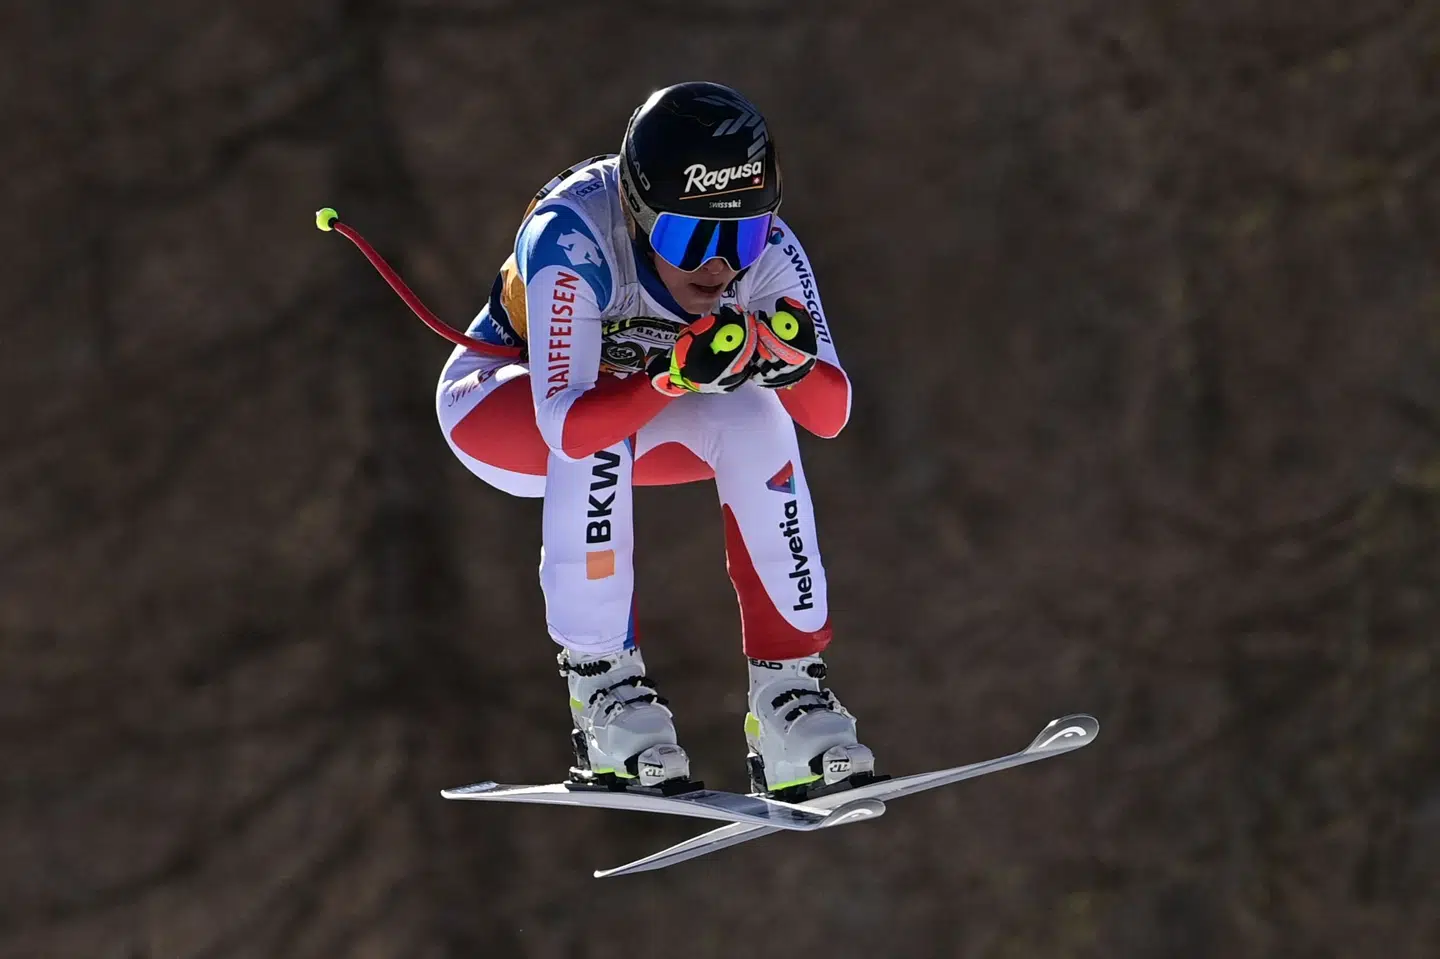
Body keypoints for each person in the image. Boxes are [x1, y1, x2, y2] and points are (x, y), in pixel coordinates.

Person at [434, 81, 875, 798]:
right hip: (500, 403)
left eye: (742, 234)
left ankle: (790, 702)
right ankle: (604, 694)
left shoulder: (767, 252)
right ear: (638, 216)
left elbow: (830, 414)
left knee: (757, 415)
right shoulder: (573, 234)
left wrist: (789, 368)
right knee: (604, 434)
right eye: (690, 237)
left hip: (628, 410)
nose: (719, 265)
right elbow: (568, 424)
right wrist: (669, 378)